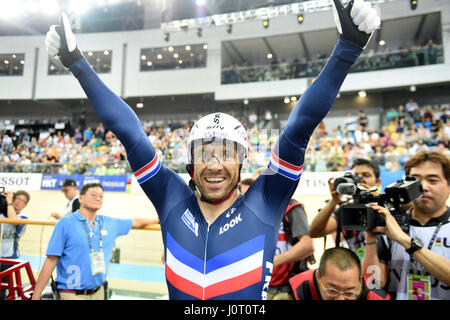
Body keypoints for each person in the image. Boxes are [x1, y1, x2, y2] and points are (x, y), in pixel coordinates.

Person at [44, 0, 380, 299]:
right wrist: (76, 62)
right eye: (205, 153)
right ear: (190, 166)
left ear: (242, 163)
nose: (215, 164)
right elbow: (130, 134)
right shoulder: (169, 197)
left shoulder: (267, 198)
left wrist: (347, 49)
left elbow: (297, 130)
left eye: (227, 153)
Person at [31, 183, 156, 300]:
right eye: (93, 195)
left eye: (101, 196)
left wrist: (158, 219)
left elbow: (135, 222)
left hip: (99, 292)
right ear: (81, 198)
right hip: (72, 294)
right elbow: (51, 260)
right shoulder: (65, 223)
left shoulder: (109, 223)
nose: (98, 198)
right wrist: (36, 296)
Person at [362, 150, 450, 300]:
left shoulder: (394, 229)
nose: (423, 187)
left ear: (448, 185)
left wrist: (406, 241)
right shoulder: (390, 223)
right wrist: (371, 239)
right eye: (414, 180)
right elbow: (374, 284)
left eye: (433, 180)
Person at [239, 177, 315, 300]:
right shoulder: (247, 215)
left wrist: (271, 261)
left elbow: (307, 246)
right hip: (260, 285)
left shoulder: (291, 208)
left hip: (287, 286)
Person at [309, 158, 381, 261]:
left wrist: (379, 198)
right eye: (356, 176)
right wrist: (334, 200)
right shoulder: (348, 209)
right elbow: (314, 232)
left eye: (366, 175)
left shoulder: (385, 207)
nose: (361, 180)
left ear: (378, 182)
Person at [289, 247, 390, 300]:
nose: (340, 299)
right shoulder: (299, 288)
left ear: (359, 281)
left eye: (349, 293)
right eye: (333, 291)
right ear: (319, 276)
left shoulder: (375, 295)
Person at [0, 190, 30, 299]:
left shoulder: (23, 217)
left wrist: (9, 202)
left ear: (25, 205)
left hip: (9, 257)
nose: (18, 203)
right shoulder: (2, 212)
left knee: (3, 288)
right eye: (17, 199)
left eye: (22, 201)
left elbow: (13, 220)